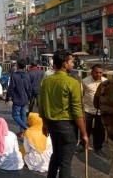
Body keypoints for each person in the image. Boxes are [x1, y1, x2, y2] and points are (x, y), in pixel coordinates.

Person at [39, 49, 88, 178]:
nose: (73, 64)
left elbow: (42, 106)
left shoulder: (46, 81)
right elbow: (77, 111)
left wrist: (44, 124)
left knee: (56, 155)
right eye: (71, 62)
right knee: (65, 162)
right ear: (65, 64)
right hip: (67, 126)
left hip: (52, 124)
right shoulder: (72, 83)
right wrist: (84, 133)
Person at [75, 64, 107, 156]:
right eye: (96, 72)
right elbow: (80, 95)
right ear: (92, 72)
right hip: (88, 109)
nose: (98, 74)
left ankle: (98, 147)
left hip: (100, 110)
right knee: (85, 128)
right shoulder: (85, 81)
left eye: (100, 73)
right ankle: (82, 144)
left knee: (100, 130)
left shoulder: (105, 82)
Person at [6, 60, 32, 139]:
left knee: (15, 115)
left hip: (17, 98)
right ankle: (21, 132)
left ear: (17, 66)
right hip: (25, 98)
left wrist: (8, 97)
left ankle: (26, 128)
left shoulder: (14, 75)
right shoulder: (27, 75)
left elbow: (11, 87)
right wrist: (29, 97)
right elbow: (29, 88)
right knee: (23, 115)